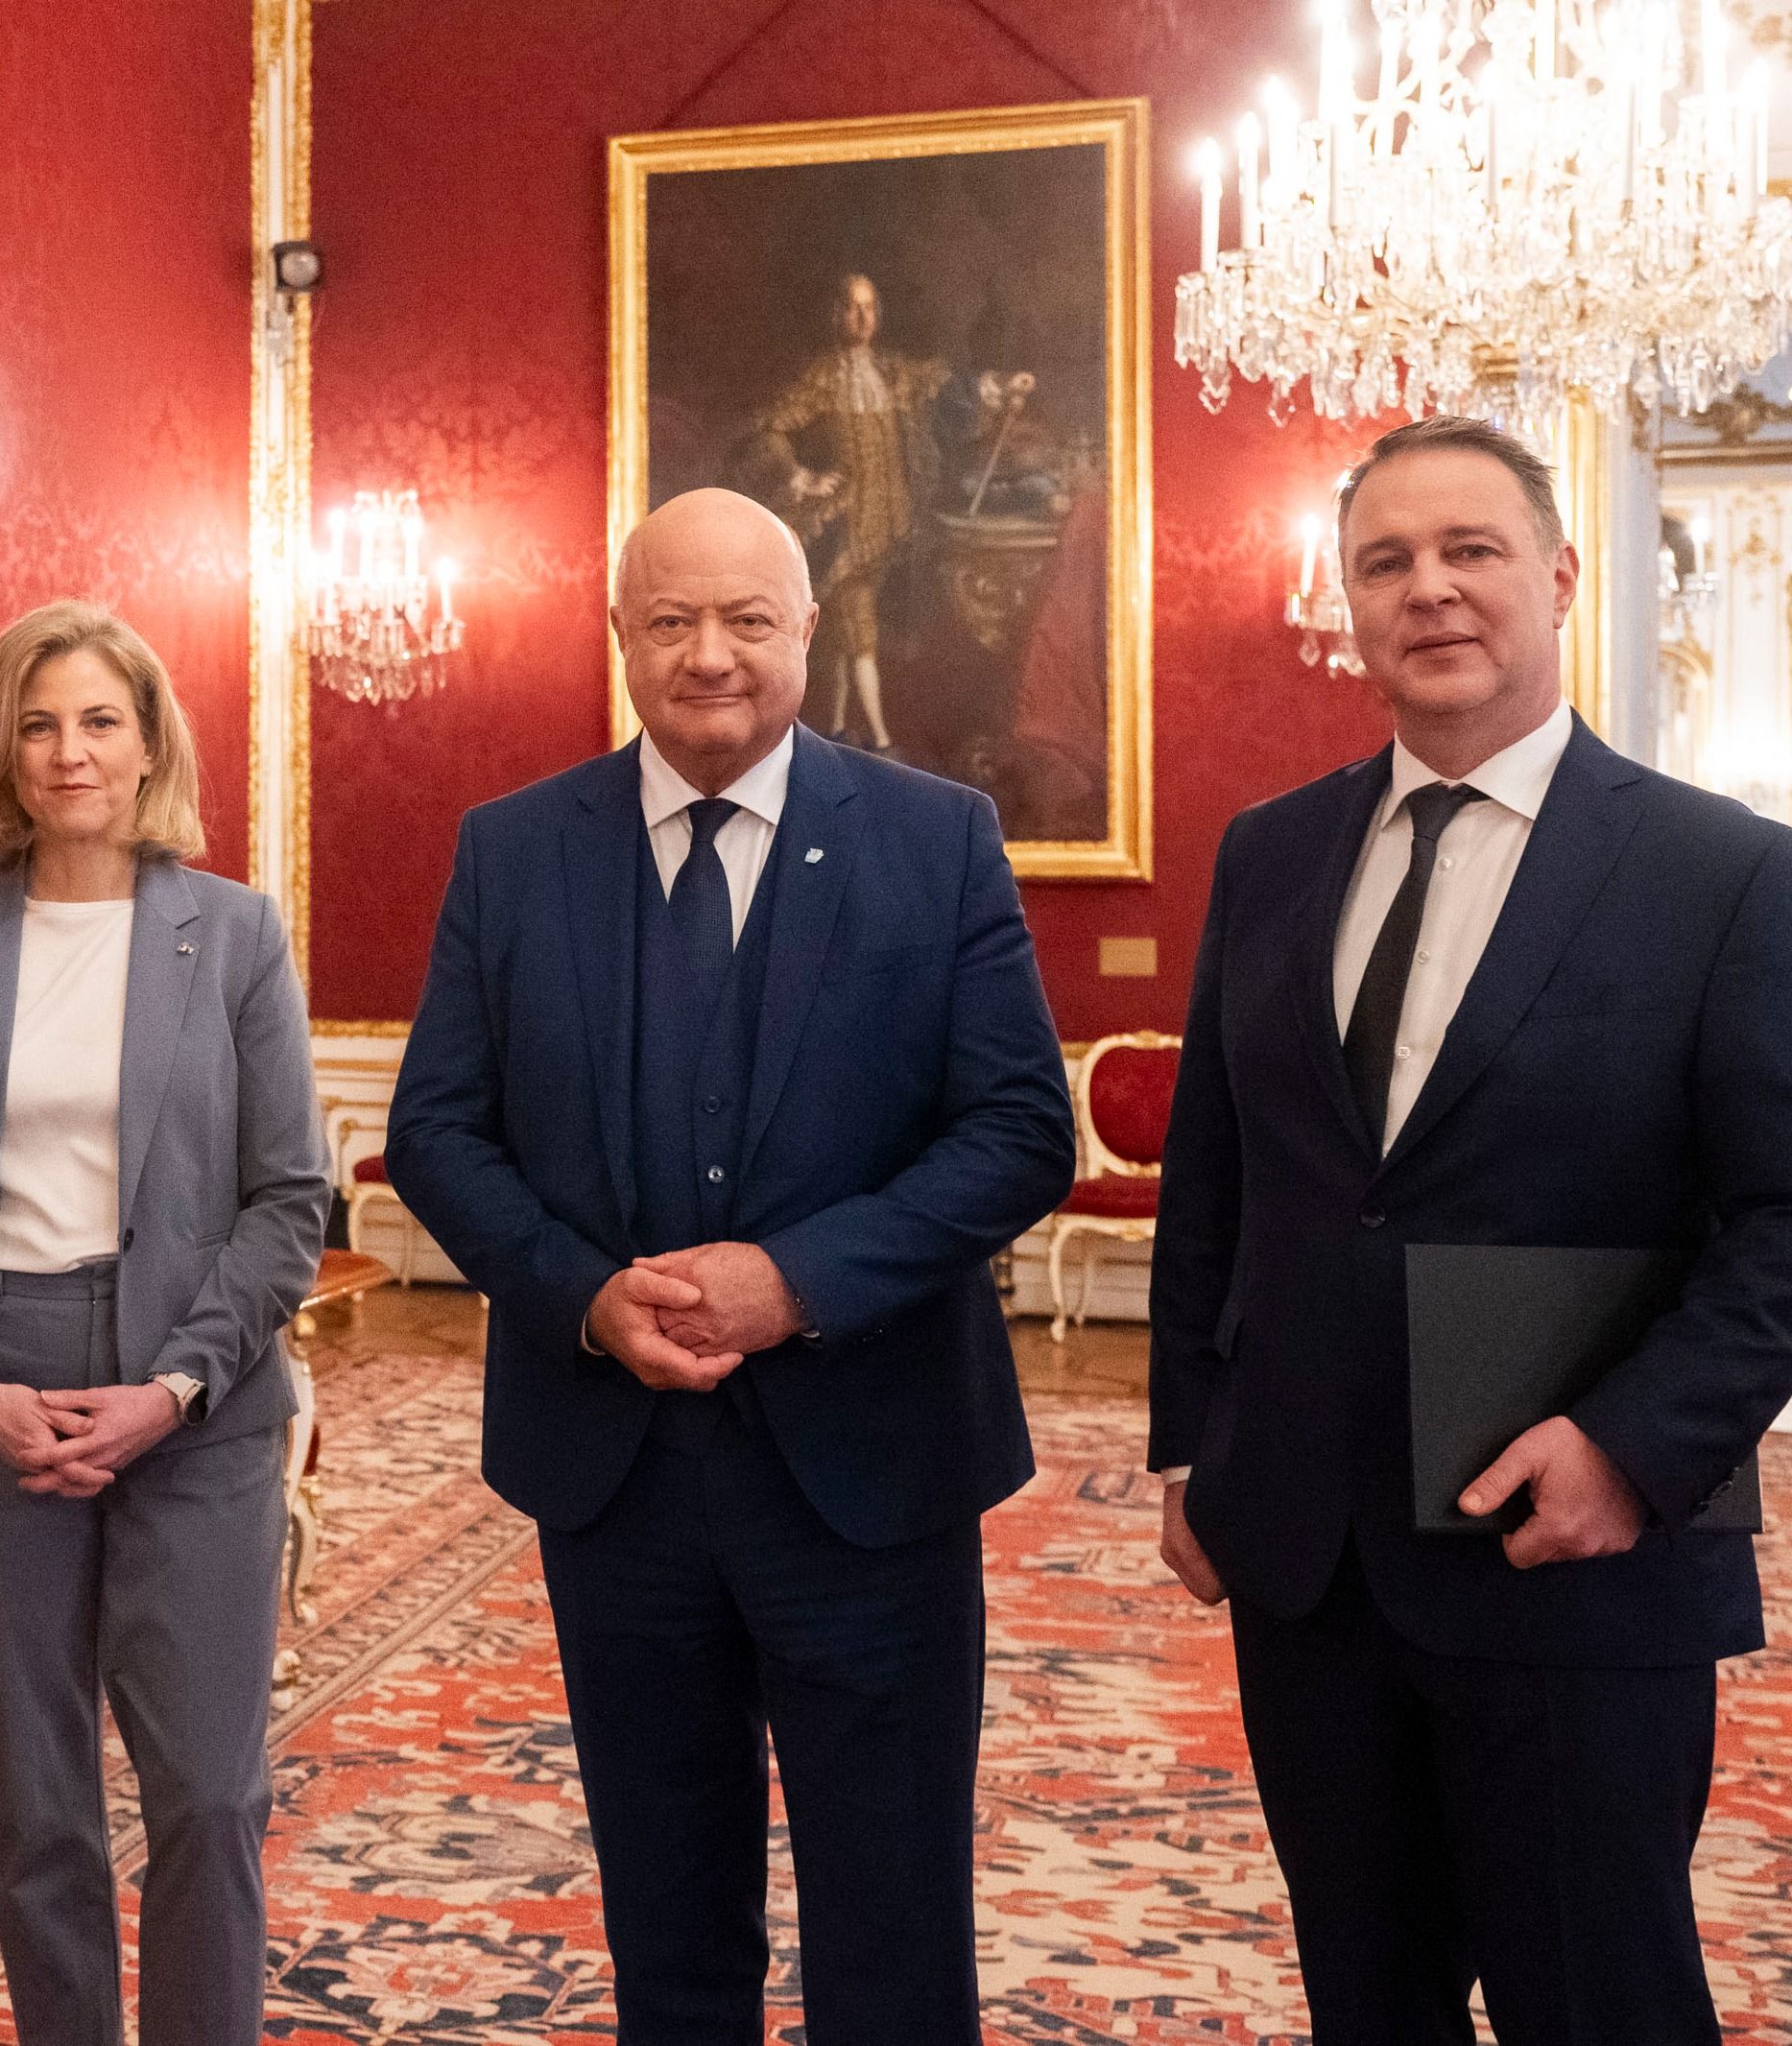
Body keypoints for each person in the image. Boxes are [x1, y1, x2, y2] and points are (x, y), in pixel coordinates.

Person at [1149, 416, 1792, 2045]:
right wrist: (1192, 1449)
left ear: (1556, 576)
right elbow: (1220, 1174)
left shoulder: (1718, 869)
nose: (1430, 590)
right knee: (1368, 1997)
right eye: (1385, 562)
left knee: (1598, 1997)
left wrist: (1633, 1447)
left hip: (1575, 1561)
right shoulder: (1271, 853)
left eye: (1470, 550)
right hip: (1308, 1566)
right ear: (1348, 603)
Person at [386, 488, 1076, 2040]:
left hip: (873, 1471)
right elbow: (436, 1130)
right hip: (614, 1480)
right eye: (672, 619)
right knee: (669, 1932)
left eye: (748, 619)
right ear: (620, 632)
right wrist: (581, 1294)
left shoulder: (935, 838)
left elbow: (1023, 1130)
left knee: (893, 1939)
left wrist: (797, 1280)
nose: (710, 655)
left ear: (810, 632)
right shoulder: (511, 852)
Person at [0, 600, 325, 2046]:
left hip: (198, 1404)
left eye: (99, 719)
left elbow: (291, 1199)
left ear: (149, 738)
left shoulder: (230, 936)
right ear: (0, 750)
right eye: (36, 723)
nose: (67, 751)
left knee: (210, 1798)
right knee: (39, 1811)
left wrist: (172, 1386)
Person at [746, 274, 951, 751]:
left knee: (845, 625)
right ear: (836, 315)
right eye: (853, 308)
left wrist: (995, 384)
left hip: (892, 521)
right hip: (847, 526)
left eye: (871, 308)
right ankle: (881, 741)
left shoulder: (892, 372)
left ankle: (835, 732)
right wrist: (801, 475)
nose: (862, 318)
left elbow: (940, 384)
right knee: (858, 622)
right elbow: (771, 428)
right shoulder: (822, 377)